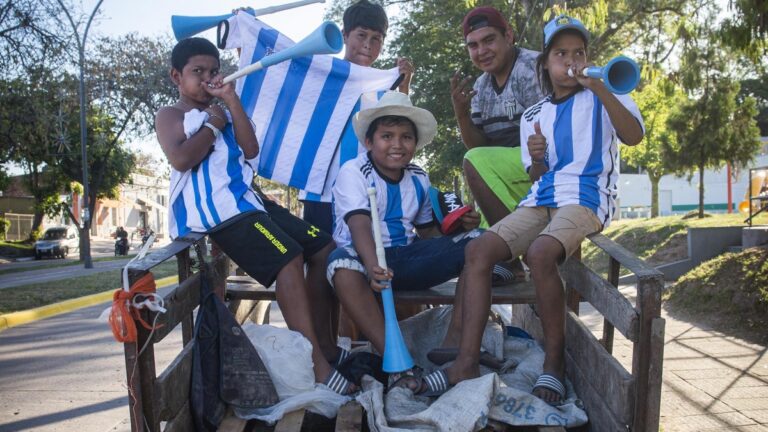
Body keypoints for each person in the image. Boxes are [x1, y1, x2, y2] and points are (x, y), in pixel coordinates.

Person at [434, 15, 645, 404]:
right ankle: (465, 360)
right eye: (560, 53)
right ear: (545, 63)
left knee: (540, 253)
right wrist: (534, 160)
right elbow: (536, 176)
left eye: (578, 52)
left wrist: (600, 87)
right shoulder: (535, 114)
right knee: (477, 251)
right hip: (542, 199)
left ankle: (554, 365)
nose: (570, 61)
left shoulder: (606, 94)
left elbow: (632, 136)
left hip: (587, 198)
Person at [155, 37, 354, 395]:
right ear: (176, 76)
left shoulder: (225, 109)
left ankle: (322, 343)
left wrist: (230, 102)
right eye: (196, 72)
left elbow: (250, 149)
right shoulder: (173, 115)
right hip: (220, 212)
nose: (206, 79)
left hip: (249, 201)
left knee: (324, 247)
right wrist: (213, 125)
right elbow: (182, 159)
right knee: (288, 258)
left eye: (213, 71)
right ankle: (317, 367)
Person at [327, 91, 482, 392]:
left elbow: (427, 235)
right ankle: (398, 363)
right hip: (363, 261)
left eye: (406, 137)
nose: (397, 145)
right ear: (369, 142)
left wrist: (458, 232)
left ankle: (454, 345)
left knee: (480, 241)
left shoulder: (418, 177)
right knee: (339, 264)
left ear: (415, 143)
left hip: (405, 259)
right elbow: (359, 226)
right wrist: (373, 267)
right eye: (387, 136)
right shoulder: (354, 172)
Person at [299, 0, 413, 234]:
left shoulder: (384, 86)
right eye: (361, 35)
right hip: (319, 191)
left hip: (364, 193)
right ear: (344, 35)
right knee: (320, 258)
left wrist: (403, 86)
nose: (368, 45)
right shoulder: (322, 74)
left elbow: (399, 130)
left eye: (376, 39)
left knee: (364, 259)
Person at [452, 6, 545, 280]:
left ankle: (510, 256)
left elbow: (549, 135)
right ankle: (506, 261)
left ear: (509, 36)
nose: (482, 51)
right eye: (473, 45)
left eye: (489, 40)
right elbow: (477, 147)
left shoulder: (534, 68)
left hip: (545, 167)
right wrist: (461, 113)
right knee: (472, 226)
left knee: (474, 163)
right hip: (514, 173)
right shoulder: (480, 87)